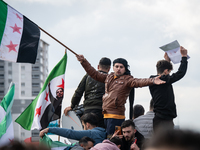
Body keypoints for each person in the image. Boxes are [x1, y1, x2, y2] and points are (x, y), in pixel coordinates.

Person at [76, 55, 165, 136]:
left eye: (121, 67)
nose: (119, 69)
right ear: (113, 68)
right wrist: (84, 61)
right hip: (105, 115)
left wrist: (152, 81)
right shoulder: (109, 77)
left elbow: (139, 82)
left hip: (116, 116)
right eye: (117, 66)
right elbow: (94, 74)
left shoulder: (128, 80)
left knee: (114, 140)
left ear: (125, 69)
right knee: (107, 139)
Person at [64, 57, 111, 128]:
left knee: (87, 133)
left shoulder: (88, 76)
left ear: (98, 66)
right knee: (100, 134)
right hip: (102, 111)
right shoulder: (110, 79)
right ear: (109, 68)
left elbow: (78, 92)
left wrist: (73, 105)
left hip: (88, 110)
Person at [149, 46, 188, 131]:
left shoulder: (152, 80)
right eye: (169, 72)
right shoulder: (165, 80)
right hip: (165, 120)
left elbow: (164, 76)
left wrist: (167, 61)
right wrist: (184, 57)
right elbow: (180, 73)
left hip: (158, 118)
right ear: (166, 71)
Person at [40, 113, 106, 145]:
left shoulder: (91, 133)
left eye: (83, 125)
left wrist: (49, 129)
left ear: (87, 125)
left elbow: (71, 133)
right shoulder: (103, 132)